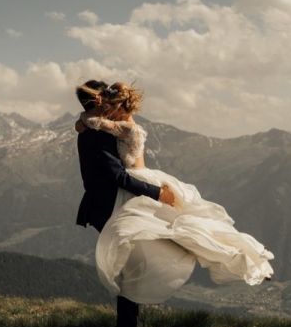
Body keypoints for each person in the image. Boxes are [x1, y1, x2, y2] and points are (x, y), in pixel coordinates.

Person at [77, 82, 274, 308]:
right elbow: (99, 129)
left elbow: (98, 126)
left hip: (140, 187)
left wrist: (83, 119)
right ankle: (242, 255)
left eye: (111, 105)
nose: (107, 110)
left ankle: (242, 257)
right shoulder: (105, 129)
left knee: (183, 231)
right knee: (175, 234)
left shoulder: (123, 128)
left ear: (115, 105)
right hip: (133, 190)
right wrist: (83, 119)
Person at [74, 79, 177, 327]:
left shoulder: (90, 128)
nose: (108, 104)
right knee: (132, 265)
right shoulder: (95, 133)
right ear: (99, 102)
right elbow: (117, 175)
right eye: (104, 100)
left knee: (132, 264)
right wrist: (157, 194)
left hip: (107, 203)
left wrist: (83, 118)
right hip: (108, 205)